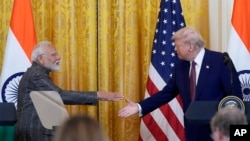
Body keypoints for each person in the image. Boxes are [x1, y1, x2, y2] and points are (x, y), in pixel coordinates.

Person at [118, 27, 243, 141]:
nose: (175, 49)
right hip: (192, 131)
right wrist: (139, 107)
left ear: (190, 47)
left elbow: (235, 96)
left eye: (177, 45)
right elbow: (166, 93)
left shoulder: (220, 61)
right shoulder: (180, 67)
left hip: (217, 132)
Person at [15, 41, 123, 141]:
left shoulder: (35, 72)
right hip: (35, 132)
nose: (59, 57)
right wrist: (97, 95)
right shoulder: (36, 74)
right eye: (53, 54)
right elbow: (59, 95)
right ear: (40, 58)